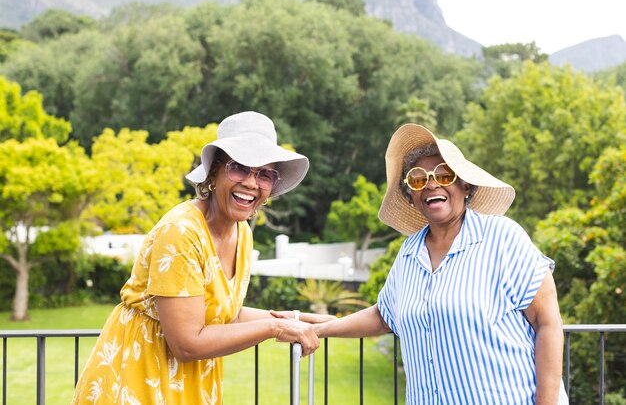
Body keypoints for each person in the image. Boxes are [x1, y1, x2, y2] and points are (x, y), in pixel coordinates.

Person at [72, 111, 330, 404]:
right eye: (239, 168)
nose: (251, 182)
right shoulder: (181, 232)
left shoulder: (241, 232)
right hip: (137, 380)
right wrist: (276, 327)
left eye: (264, 174)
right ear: (214, 174)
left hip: (188, 383)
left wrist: (299, 318)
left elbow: (224, 315)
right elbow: (187, 344)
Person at [308, 123, 568, 404]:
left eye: (444, 175)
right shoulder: (409, 252)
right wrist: (320, 328)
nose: (432, 184)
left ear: (465, 185)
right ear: (411, 197)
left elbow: (548, 323)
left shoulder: (503, 237)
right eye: (418, 179)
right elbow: (385, 314)